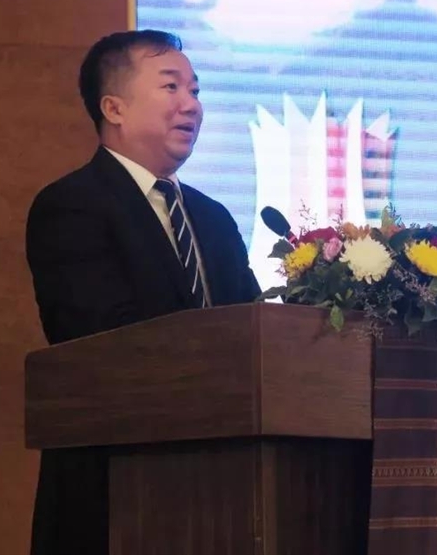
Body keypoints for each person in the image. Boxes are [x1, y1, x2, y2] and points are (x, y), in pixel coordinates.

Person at [24, 29, 261, 555]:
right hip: (116, 481)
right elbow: (100, 338)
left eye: (195, 90)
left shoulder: (213, 217)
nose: (191, 105)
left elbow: (250, 326)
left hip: (223, 483)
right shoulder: (73, 205)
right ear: (114, 108)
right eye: (171, 87)